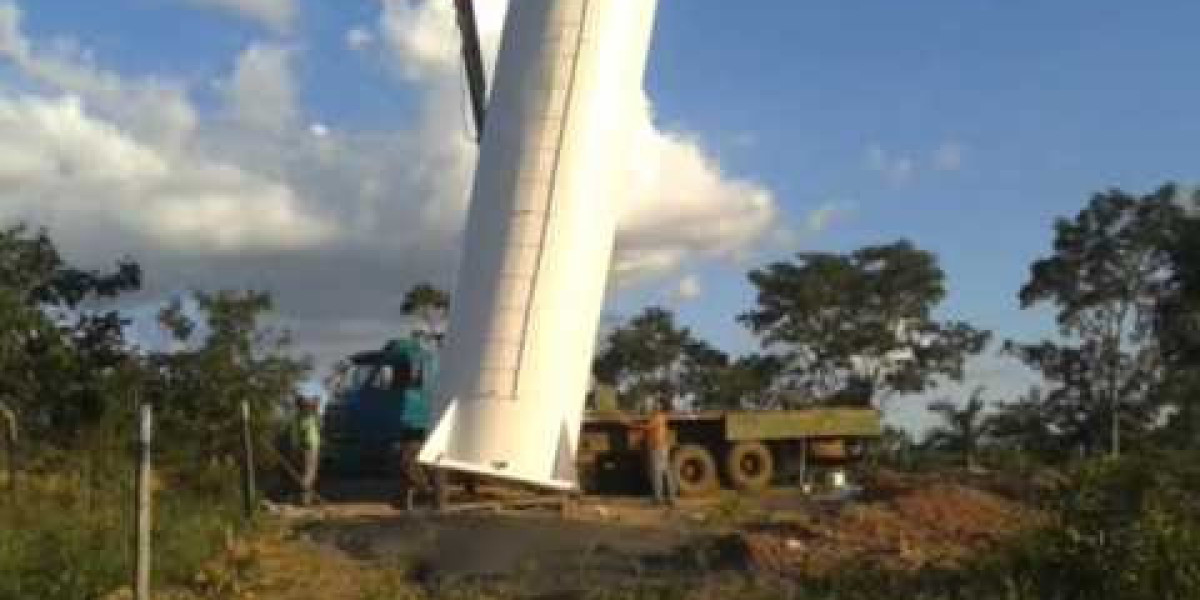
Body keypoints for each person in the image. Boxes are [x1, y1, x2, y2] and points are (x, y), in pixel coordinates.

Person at [628, 398, 677, 506]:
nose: (654, 406)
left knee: (657, 474)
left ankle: (657, 499)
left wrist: (634, 426)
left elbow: (648, 428)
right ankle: (671, 499)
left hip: (657, 448)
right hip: (662, 447)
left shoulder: (657, 417)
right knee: (665, 473)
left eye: (656, 405)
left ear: (659, 407)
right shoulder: (661, 417)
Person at [291, 392, 322, 506]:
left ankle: (305, 499)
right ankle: (304, 499)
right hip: (310, 447)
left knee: (307, 472)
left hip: (306, 446)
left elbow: (294, 436)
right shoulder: (307, 417)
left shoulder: (300, 417)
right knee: (309, 473)